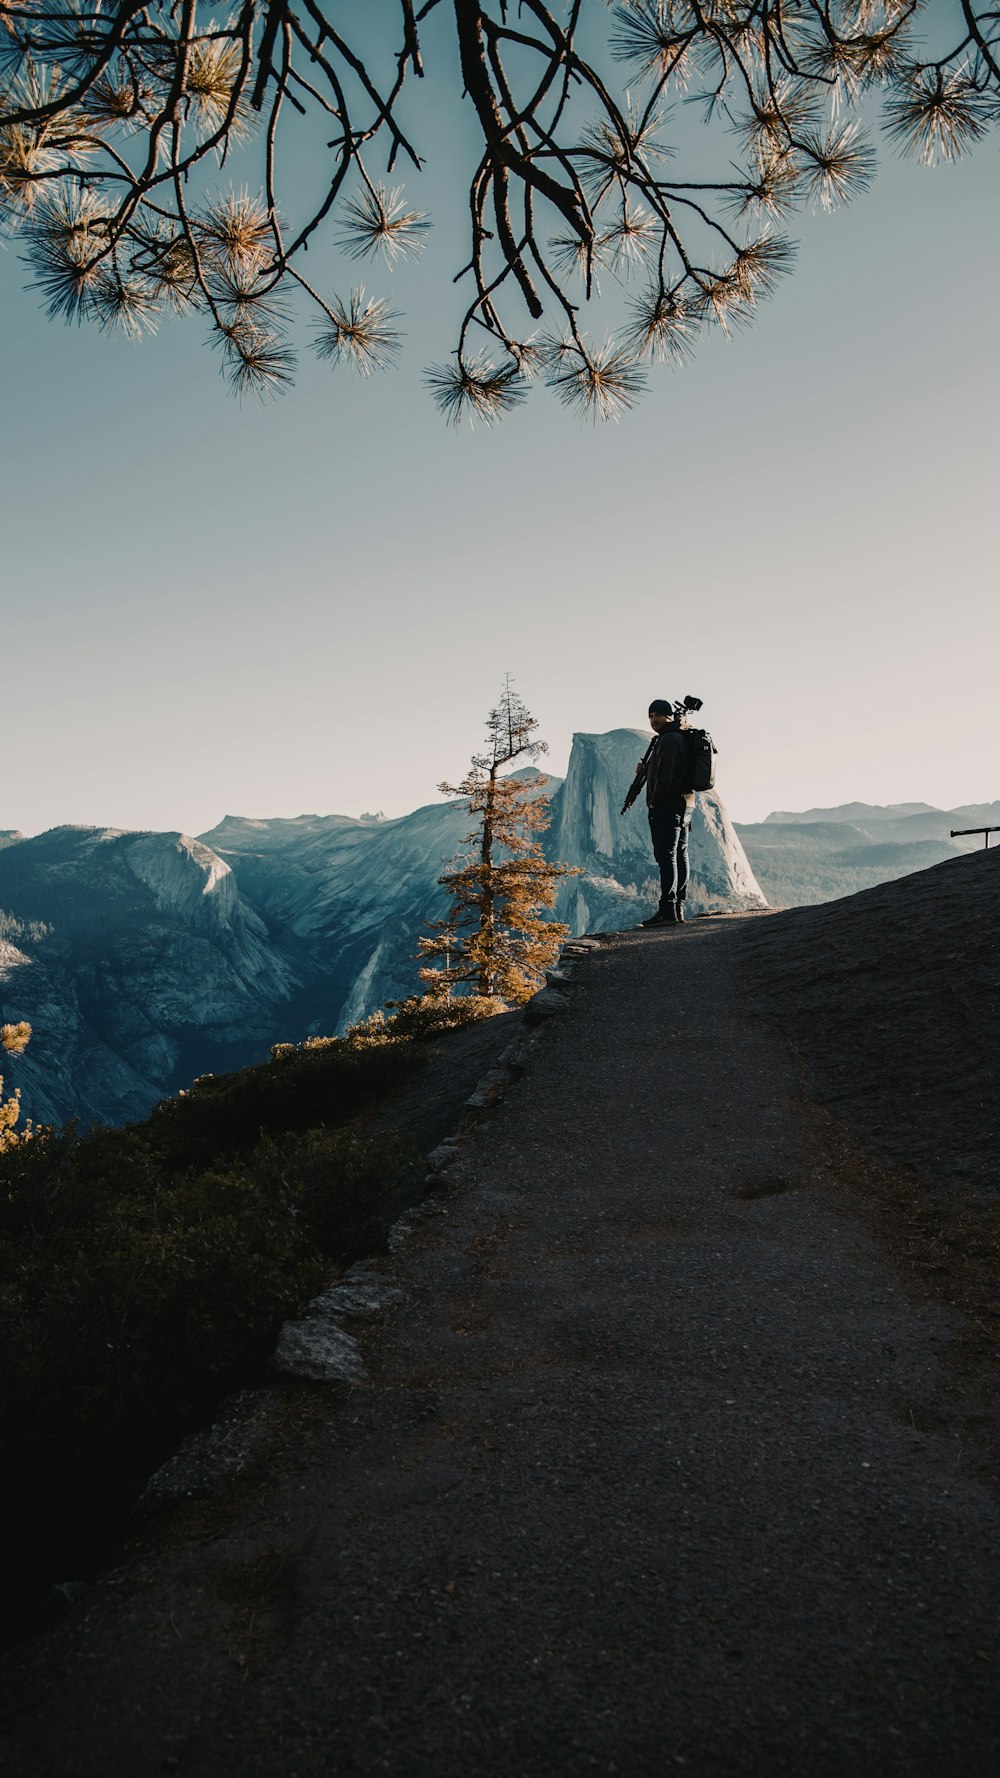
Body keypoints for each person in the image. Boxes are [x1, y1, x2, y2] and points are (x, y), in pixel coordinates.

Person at [640, 699, 694, 927]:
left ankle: (668, 909)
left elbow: (665, 776)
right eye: (651, 716)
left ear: (669, 716)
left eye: (658, 715)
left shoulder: (668, 739)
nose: (654, 720)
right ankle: (678, 906)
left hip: (667, 807)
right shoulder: (681, 736)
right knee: (680, 854)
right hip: (685, 805)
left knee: (667, 856)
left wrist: (654, 802)